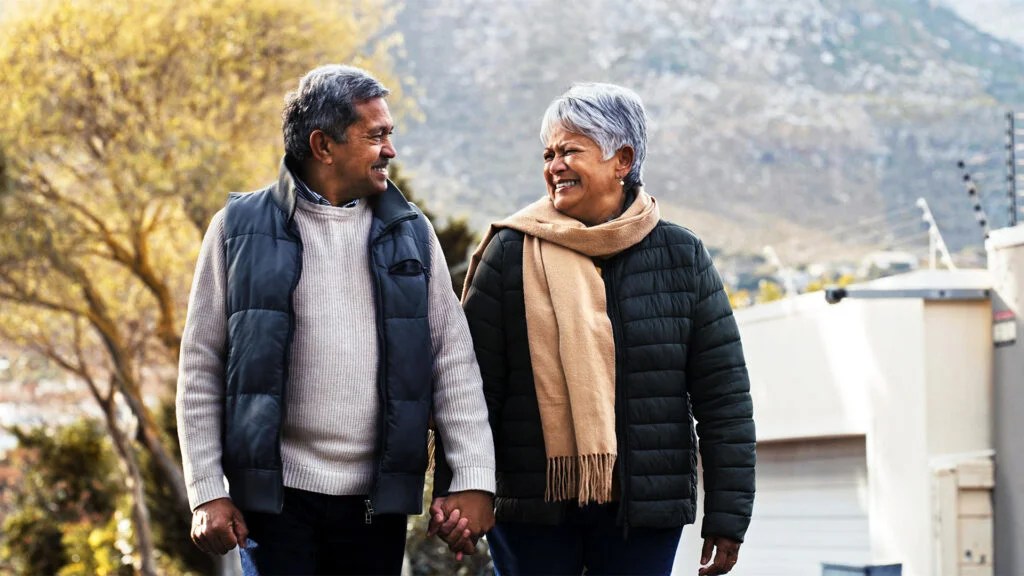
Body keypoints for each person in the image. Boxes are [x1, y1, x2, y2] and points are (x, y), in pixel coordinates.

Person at [176, 64, 495, 576]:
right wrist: (207, 491)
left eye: (388, 135)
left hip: (376, 506)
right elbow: (200, 368)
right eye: (376, 136)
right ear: (323, 146)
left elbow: (453, 363)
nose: (389, 149)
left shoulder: (413, 234)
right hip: (274, 506)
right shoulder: (236, 230)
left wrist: (473, 480)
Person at [449, 83, 756, 576]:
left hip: (645, 512)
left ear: (622, 159)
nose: (554, 165)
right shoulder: (510, 254)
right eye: (548, 153)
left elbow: (724, 399)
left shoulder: (681, 255)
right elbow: (468, 391)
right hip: (533, 510)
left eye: (570, 150)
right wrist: (464, 490)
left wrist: (728, 514)